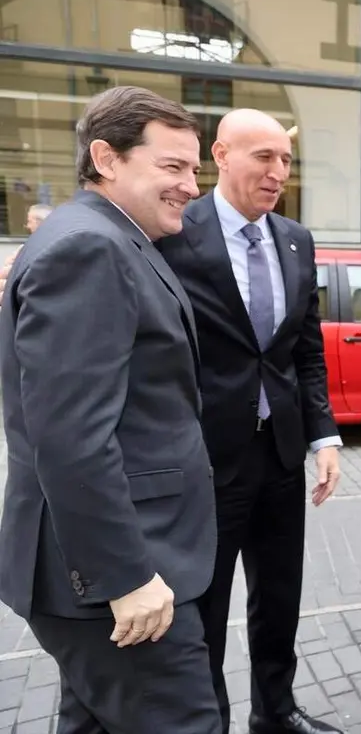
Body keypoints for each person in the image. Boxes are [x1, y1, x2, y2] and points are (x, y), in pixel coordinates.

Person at [0, 86, 221, 732]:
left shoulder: (107, 237)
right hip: (116, 580)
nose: (191, 187)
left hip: (107, 572)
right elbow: (70, 437)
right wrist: (124, 578)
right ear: (106, 158)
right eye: (173, 166)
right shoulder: (89, 248)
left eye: (195, 170)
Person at [158, 108, 343, 734]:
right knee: (204, 611)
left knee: (280, 598)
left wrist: (323, 435)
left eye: (285, 159)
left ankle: (276, 713)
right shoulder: (173, 231)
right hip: (207, 461)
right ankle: (209, 721)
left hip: (281, 456)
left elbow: (304, 350)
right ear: (220, 155)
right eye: (264, 157)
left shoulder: (296, 239)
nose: (278, 172)